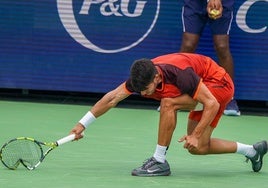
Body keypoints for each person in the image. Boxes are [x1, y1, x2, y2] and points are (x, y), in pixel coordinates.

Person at [70, 53, 267, 176]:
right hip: (200, 91)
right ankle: (252, 151)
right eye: (141, 91)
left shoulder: (179, 74)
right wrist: (83, 124)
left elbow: (212, 103)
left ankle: (159, 161)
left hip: (218, 84)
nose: (145, 94)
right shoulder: (142, 78)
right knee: (198, 148)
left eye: (146, 89)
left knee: (169, 103)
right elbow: (112, 98)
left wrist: (195, 134)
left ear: (156, 77)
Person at [179, 0, 240, 116]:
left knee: (222, 46)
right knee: (188, 44)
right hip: (195, 3)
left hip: (223, 2)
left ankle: (229, 98)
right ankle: (179, 93)